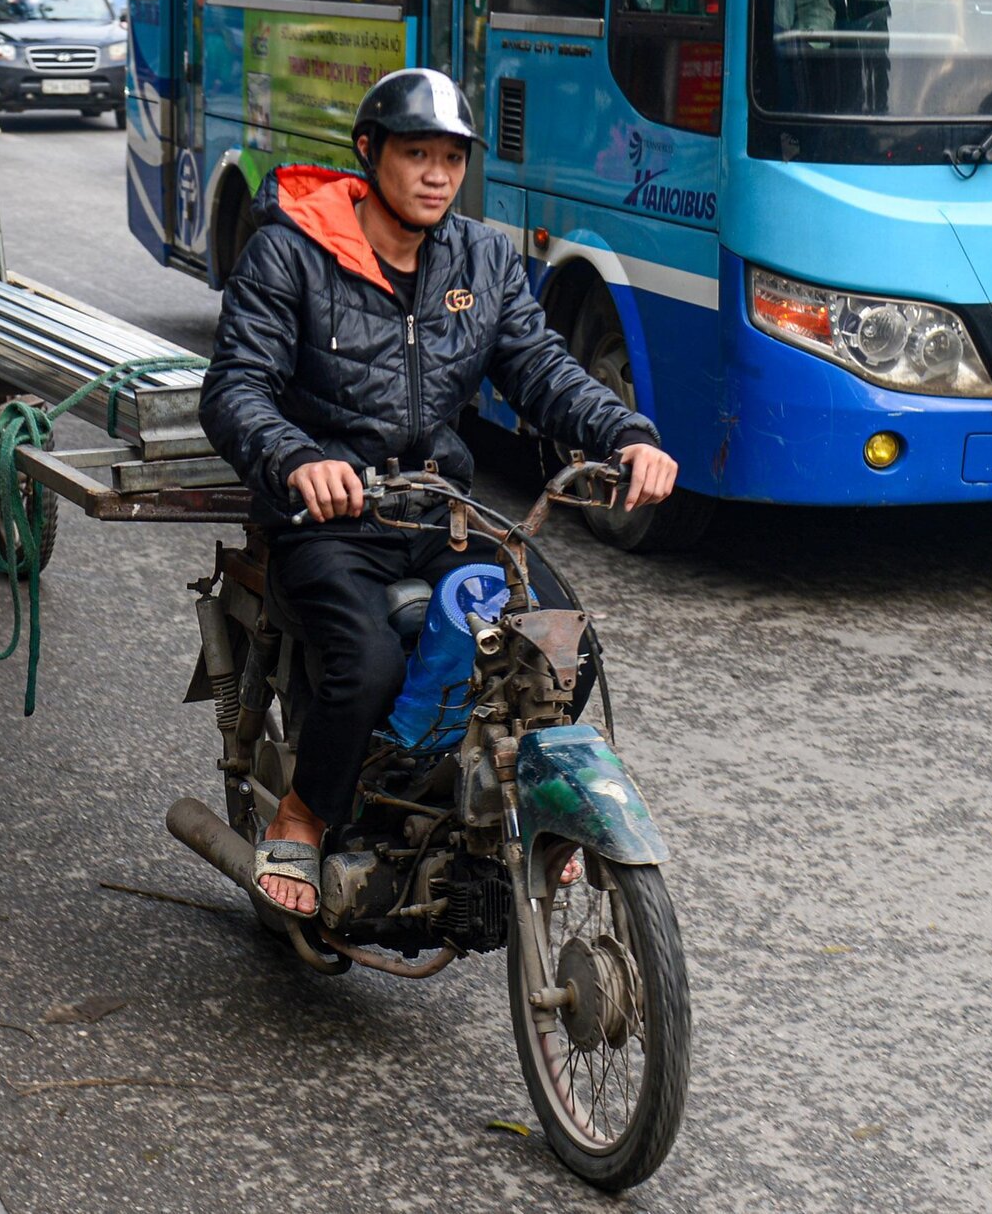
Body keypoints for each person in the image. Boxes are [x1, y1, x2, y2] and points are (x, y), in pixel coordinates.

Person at [199, 69, 678, 917]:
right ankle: (306, 817)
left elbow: (542, 368)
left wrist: (625, 434)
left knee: (564, 640)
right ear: (368, 152)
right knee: (367, 665)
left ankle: (509, 798)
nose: (435, 176)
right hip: (329, 518)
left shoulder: (482, 258)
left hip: (440, 510)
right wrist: (298, 458)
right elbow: (235, 387)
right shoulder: (292, 251)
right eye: (416, 154)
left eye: (451, 159)